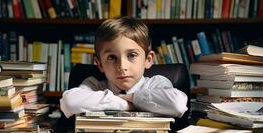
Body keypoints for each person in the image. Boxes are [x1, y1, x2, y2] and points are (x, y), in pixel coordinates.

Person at [60, 16, 188, 118]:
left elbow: (178, 104)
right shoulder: (94, 85)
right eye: (112, 57)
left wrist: (133, 98)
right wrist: (124, 104)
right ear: (99, 64)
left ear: (148, 60)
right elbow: (70, 102)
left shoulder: (157, 83)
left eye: (132, 55)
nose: (122, 66)